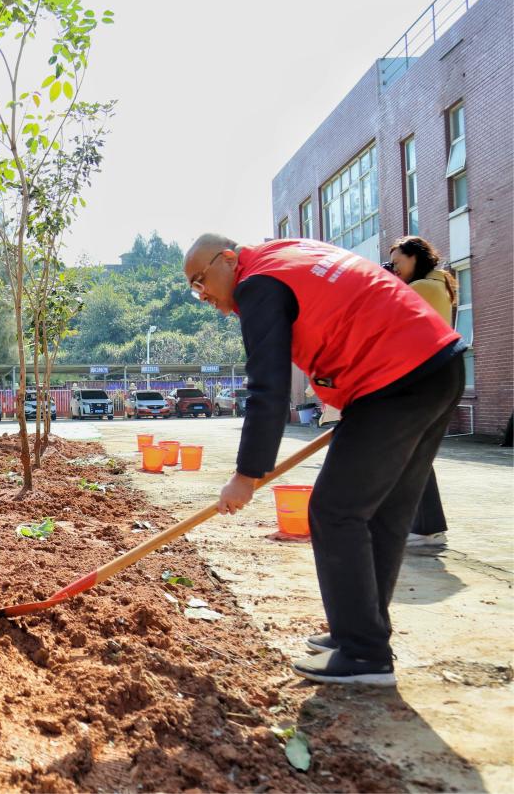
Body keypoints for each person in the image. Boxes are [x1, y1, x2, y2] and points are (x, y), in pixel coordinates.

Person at [185, 234, 463, 686]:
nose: (204, 296)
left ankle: (363, 654)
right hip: (437, 366)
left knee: (334, 511)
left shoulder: (257, 283)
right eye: (194, 290)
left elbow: (267, 388)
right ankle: (363, 636)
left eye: (201, 281)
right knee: (384, 513)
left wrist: (246, 474)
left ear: (228, 259)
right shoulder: (286, 253)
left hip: (394, 379)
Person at [388, 235, 459, 549]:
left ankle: (426, 529)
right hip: (434, 378)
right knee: (415, 454)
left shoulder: (422, 288)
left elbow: (384, 317)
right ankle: (427, 527)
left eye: (397, 262)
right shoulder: (437, 285)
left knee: (411, 455)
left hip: (419, 379)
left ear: (415, 257)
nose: (394, 268)